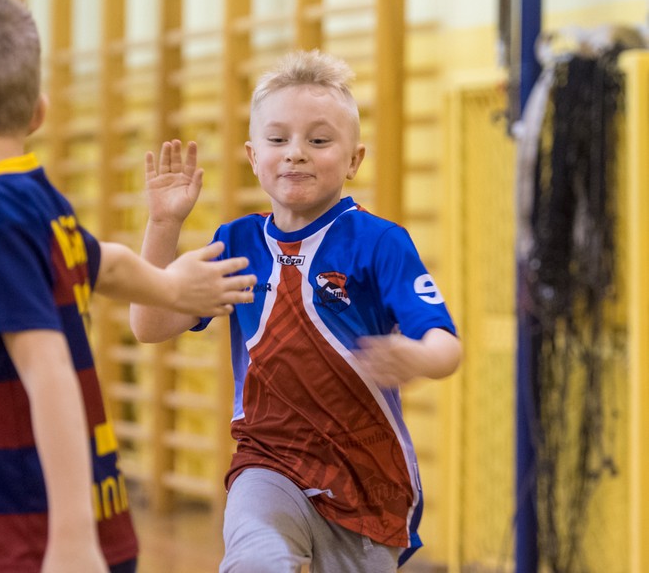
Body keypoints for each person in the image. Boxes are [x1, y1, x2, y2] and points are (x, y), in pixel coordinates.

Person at [0, 0, 256, 573]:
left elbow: (50, 374)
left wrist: (70, 541)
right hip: (63, 531)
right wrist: (170, 289)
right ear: (38, 113)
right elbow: (103, 262)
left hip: (32, 542)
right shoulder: (34, 199)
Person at [130, 49, 462, 572]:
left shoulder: (379, 243)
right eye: (278, 139)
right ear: (252, 155)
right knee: (254, 561)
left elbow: (446, 346)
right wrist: (164, 225)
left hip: (368, 484)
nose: (296, 154)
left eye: (320, 140)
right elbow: (150, 325)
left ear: (354, 159)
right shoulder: (237, 243)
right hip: (267, 464)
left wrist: (415, 356)